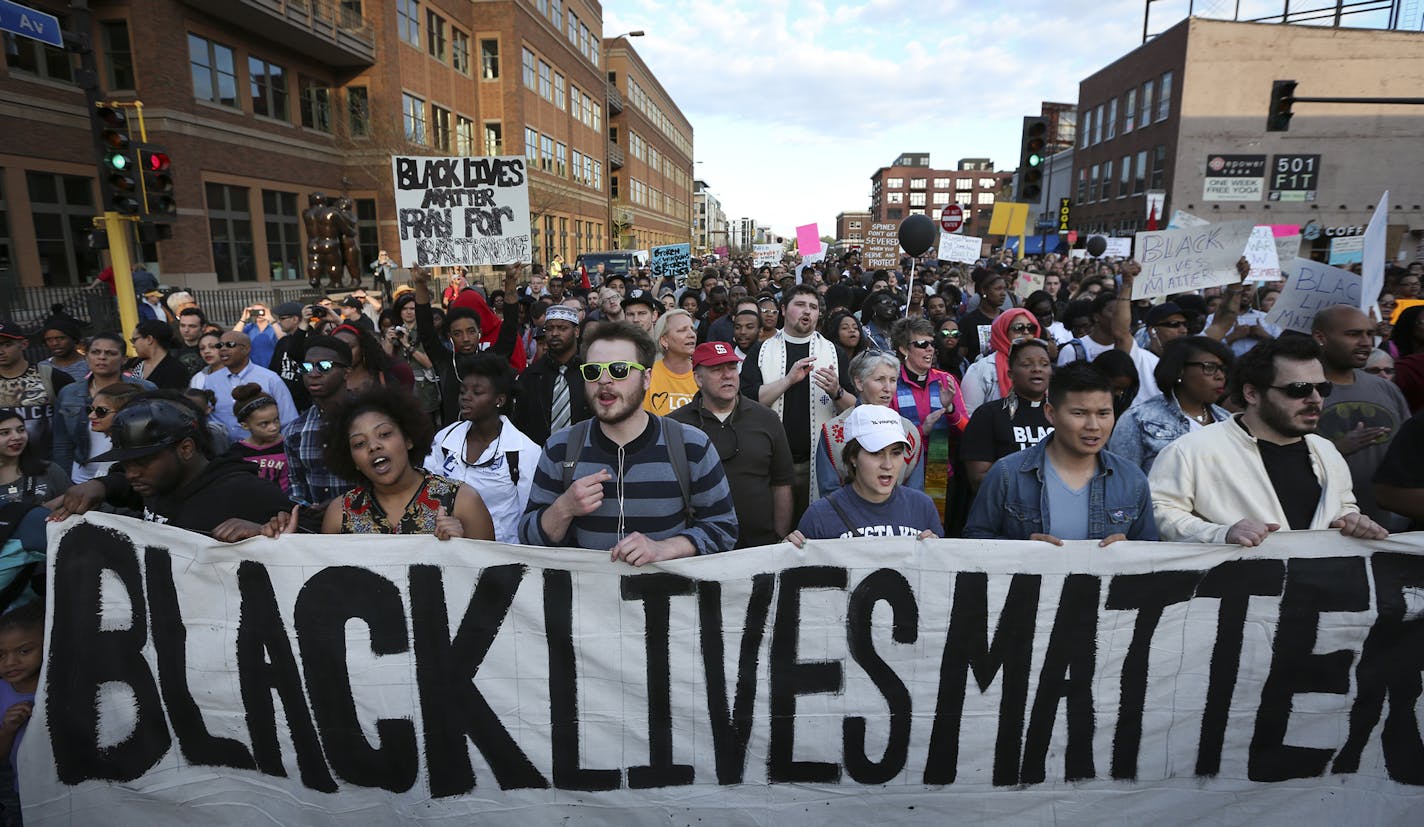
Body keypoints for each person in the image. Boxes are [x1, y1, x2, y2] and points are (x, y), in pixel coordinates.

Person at [519, 321, 738, 561]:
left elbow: (723, 528)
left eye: (619, 369)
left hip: (666, 596)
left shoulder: (691, 445)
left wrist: (664, 548)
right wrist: (564, 508)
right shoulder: (560, 448)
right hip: (587, 595)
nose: (604, 380)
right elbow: (528, 537)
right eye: (593, 371)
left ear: (646, 378)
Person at [1150, 336, 1389, 545]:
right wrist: (1220, 534)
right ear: (1252, 393)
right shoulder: (1190, 451)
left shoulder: (1326, 451)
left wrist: (1352, 520)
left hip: (1320, 589)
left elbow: (1344, 505)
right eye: (1298, 389)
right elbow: (1160, 512)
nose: (1315, 399)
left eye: (1322, 388)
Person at [44, 392, 294, 540]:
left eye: (142, 462)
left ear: (185, 448)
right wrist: (101, 485)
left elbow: (314, 536)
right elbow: (127, 485)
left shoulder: (244, 491)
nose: (132, 474)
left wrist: (267, 534)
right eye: (126, 463)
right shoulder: (156, 482)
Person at [965, 363, 1157, 545]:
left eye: (1103, 413)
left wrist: (1130, 550)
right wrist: (1020, 550)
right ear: (1050, 413)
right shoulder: (1007, 474)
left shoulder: (1132, 479)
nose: (1093, 426)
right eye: (1079, 413)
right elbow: (975, 539)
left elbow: (1150, 551)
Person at [267, 387, 494, 538]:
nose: (373, 446)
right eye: (359, 444)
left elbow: (494, 587)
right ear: (351, 460)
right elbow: (331, 590)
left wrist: (463, 548)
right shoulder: (340, 514)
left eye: (384, 434)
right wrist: (284, 544)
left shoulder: (462, 501)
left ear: (408, 439)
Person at [740, 284, 854, 523]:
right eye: (800, 305)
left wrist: (836, 391)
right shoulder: (762, 351)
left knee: (816, 529)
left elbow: (854, 407)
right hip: (771, 462)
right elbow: (747, 401)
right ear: (783, 309)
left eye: (813, 307)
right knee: (774, 531)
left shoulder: (833, 352)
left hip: (819, 463)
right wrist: (788, 380)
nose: (807, 312)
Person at [670, 341, 794, 548]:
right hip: (699, 550)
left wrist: (779, 538)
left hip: (759, 547)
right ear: (698, 379)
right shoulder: (675, 426)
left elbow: (782, 483)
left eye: (732, 367)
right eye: (716, 369)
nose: (727, 375)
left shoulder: (767, 419)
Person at [1311, 305, 1412, 528]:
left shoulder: (1386, 389)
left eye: (1370, 333)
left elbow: (1409, 449)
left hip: (1388, 522)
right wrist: (1337, 449)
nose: (1366, 342)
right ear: (1321, 337)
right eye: (1353, 334)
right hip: (1325, 524)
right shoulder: (1301, 390)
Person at [423, 354, 538, 545]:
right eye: (463, 391)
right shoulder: (444, 440)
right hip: (448, 547)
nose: (465, 398)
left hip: (501, 553)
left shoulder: (524, 451)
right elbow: (427, 492)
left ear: (499, 400)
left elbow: (529, 513)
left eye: (477, 392)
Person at [788, 405, 943, 544]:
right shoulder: (819, 515)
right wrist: (789, 553)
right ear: (852, 457)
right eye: (876, 453)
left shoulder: (923, 507)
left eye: (896, 453)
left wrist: (936, 554)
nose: (888, 465)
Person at [1109, 336, 1234, 475]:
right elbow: (1123, 482)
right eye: (1210, 367)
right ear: (1180, 370)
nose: (1220, 376)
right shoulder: (1139, 419)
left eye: (1223, 369)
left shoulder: (1228, 420)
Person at [411, 266, 520, 425]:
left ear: (479, 333)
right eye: (458, 333)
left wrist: (510, 280)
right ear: (450, 337)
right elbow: (426, 329)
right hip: (454, 442)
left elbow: (510, 326)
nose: (466, 338)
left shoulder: (491, 360)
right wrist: (420, 284)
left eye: (471, 331)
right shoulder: (445, 362)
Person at [815, 350, 924, 498]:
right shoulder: (833, 432)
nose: (888, 388)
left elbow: (914, 493)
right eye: (880, 379)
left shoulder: (909, 431)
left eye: (893, 380)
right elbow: (830, 492)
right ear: (859, 382)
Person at [53, 332, 156, 479]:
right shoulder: (69, 393)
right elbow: (62, 443)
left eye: (110, 353)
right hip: (81, 474)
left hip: (130, 472)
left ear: (123, 359)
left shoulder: (144, 389)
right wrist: (63, 481)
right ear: (86, 356)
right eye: (95, 352)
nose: (102, 357)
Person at [961, 338, 1054, 489]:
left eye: (1044, 364)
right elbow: (978, 477)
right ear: (1010, 374)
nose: (1037, 369)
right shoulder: (988, 415)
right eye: (1027, 364)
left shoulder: (1061, 416)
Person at [283, 337, 358, 516]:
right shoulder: (295, 430)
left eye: (324, 366)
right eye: (306, 367)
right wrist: (301, 510)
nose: (313, 373)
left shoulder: (371, 419)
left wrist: (341, 505)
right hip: (316, 530)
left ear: (346, 373)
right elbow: (296, 484)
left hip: (369, 526)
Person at [205, 331, 298, 442]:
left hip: (264, 453)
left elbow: (289, 420)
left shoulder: (270, 379)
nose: (223, 349)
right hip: (224, 453)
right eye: (219, 345)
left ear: (246, 349)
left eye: (230, 345)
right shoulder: (211, 380)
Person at [0, 319, 73, 457]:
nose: (0, 351)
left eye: (6, 344)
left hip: (50, 461)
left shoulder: (52, 377)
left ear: (24, 344)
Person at [0, 603, 43, 825]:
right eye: (0, 655)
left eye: (24, 651)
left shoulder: (64, 687)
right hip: (24, 795)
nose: (10, 663)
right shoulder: (2, 692)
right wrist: (8, 729)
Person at [961, 308, 1041, 415]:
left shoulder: (1043, 367)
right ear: (1003, 332)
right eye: (1018, 328)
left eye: (1031, 328)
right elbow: (969, 416)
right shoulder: (982, 369)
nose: (1026, 332)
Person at [69, 381, 146, 485]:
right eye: (90, 409)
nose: (91, 416)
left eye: (101, 411)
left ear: (126, 413)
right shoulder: (118, 446)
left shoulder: (136, 454)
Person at [228, 383, 290, 494]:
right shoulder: (237, 452)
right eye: (264, 424)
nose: (273, 427)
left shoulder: (288, 445)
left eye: (276, 420)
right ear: (245, 425)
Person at [0, 408, 70, 504]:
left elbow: (72, 504)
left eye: (21, 430)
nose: (17, 437)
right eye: (5, 433)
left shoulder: (49, 469)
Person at [644, 309, 698, 415]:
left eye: (693, 329)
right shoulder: (648, 376)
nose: (692, 334)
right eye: (682, 330)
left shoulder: (703, 375)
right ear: (664, 340)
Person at [128, 319, 189, 390]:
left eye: (134, 340)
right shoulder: (134, 364)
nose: (133, 345)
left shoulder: (176, 369)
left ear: (149, 339)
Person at [38, 314, 88, 382]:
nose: (55, 343)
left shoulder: (91, 363)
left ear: (74, 339)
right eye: (49, 340)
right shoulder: (41, 367)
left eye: (61, 338)